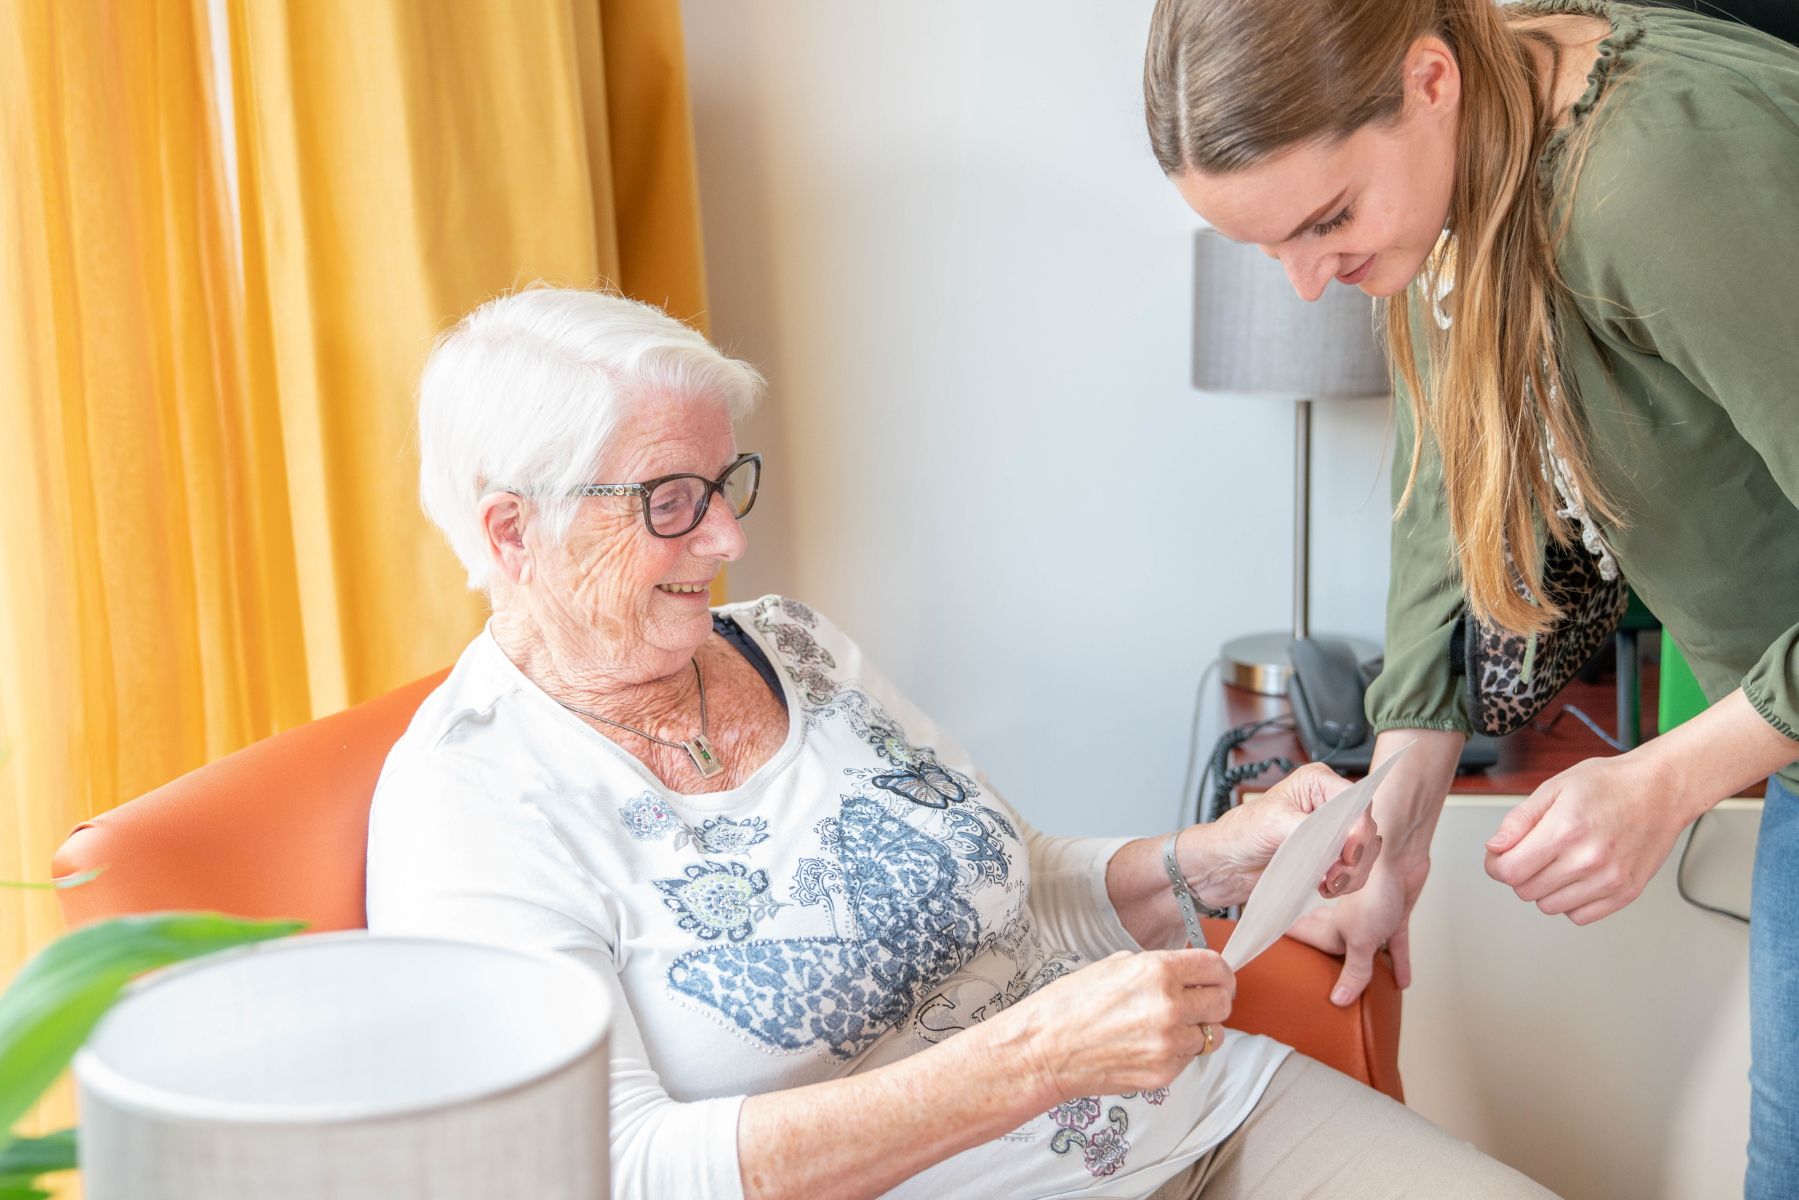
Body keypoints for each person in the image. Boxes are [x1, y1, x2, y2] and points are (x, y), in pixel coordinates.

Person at [366, 286, 1558, 1199]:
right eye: (667, 499)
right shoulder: (467, 801)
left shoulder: (792, 645)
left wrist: (1206, 861)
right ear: (513, 532)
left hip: (1188, 1122)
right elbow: (619, 1171)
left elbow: (1004, 878)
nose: (727, 536)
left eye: (726, 480)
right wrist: (1033, 1059)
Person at [1145, 1, 1799, 1194]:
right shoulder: (1463, 176)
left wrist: (1666, 778)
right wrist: (1396, 805)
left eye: (1326, 220)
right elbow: (1445, 488)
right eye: (1265, 248)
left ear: (1428, 79)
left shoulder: (1648, 185)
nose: (1305, 286)